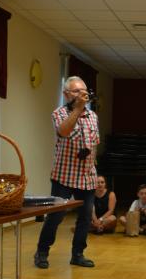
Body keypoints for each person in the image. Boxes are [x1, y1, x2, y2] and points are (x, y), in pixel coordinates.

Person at [34, 76, 100, 269]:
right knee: (56, 216)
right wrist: (77, 109)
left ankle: (78, 254)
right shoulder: (59, 113)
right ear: (66, 94)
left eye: (84, 91)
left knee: (85, 218)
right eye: (77, 91)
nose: (82, 94)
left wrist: (93, 161)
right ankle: (42, 252)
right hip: (64, 175)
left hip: (87, 176)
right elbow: (63, 131)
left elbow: (95, 142)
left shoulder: (93, 116)